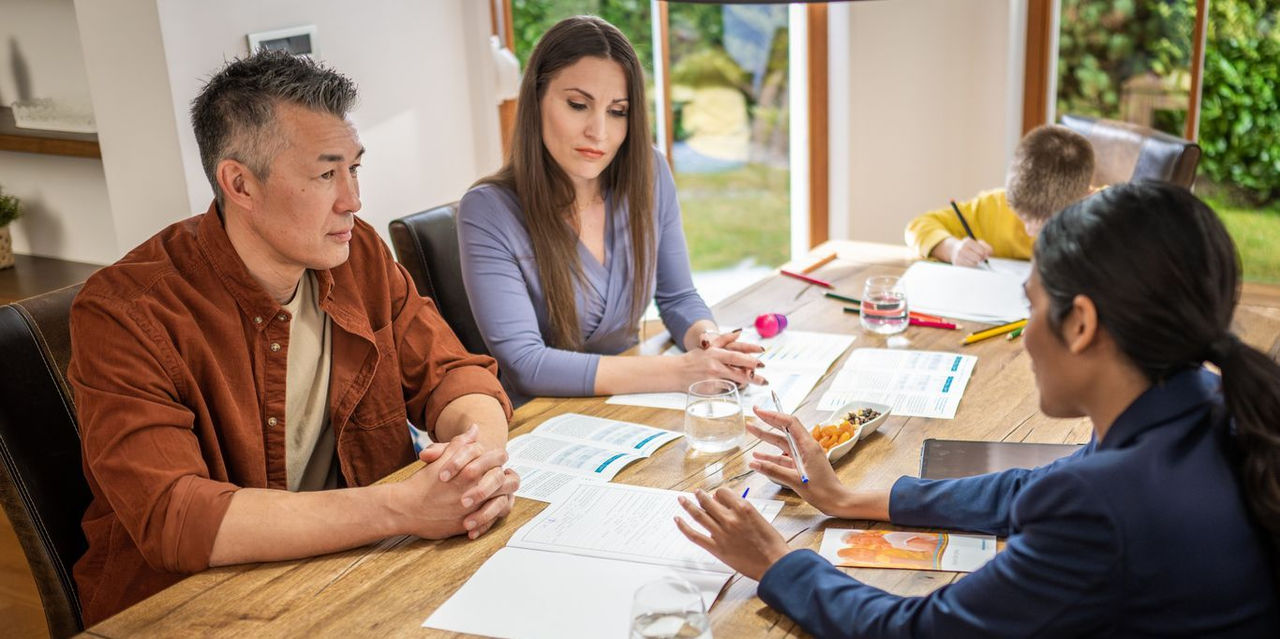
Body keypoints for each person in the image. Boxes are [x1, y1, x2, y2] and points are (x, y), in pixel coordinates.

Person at [677, 182, 1280, 637]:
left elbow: (920, 632)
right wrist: (850, 500)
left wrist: (778, 562)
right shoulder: (1203, 403)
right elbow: (1032, 487)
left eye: (1031, 309)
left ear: (1082, 323)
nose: (1022, 338)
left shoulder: (1106, 505)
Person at [69, 51, 519, 625]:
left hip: (358, 575)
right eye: (326, 174)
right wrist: (402, 508)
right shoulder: (125, 313)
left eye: (355, 168)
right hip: (199, 608)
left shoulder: (359, 256)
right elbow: (174, 516)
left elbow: (453, 375)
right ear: (240, 184)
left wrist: (477, 463)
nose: (352, 200)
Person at [457, 16, 763, 406]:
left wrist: (708, 342)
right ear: (536, 100)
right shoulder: (487, 210)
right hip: (543, 420)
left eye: (618, 111)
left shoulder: (649, 173)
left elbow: (678, 296)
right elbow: (525, 364)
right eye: (578, 105)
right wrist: (681, 372)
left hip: (632, 406)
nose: (599, 132)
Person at [904, 124, 1094, 267]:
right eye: (1023, 216)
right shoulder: (995, 207)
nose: (1030, 231)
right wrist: (951, 248)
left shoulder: (1107, 214)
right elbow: (918, 226)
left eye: (1046, 221)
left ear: (1086, 197)